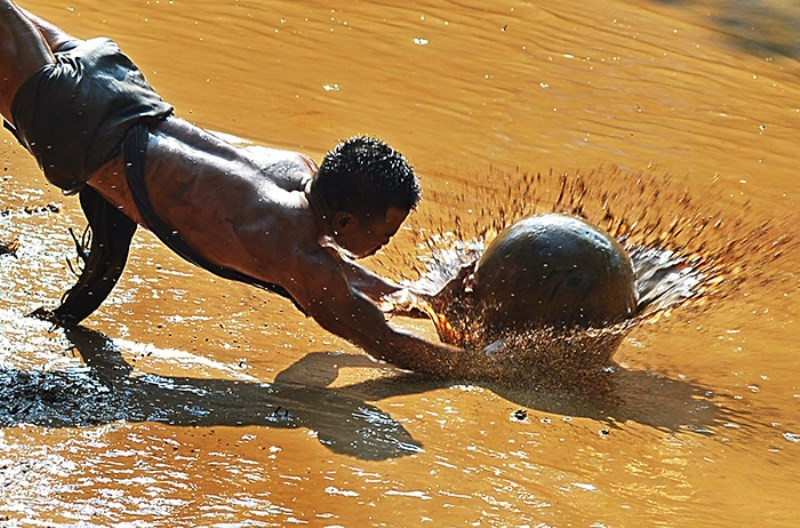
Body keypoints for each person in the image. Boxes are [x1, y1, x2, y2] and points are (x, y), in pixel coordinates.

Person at [0, 2, 479, 378]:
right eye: (386, 233)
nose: (385, 244)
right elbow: (383, 341)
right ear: (346, 222)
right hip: (85, 126)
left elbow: (338, 269)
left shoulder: (295, 171)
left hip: (121, 87)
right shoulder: (299, 256)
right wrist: (485, 368)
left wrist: (423, 300)